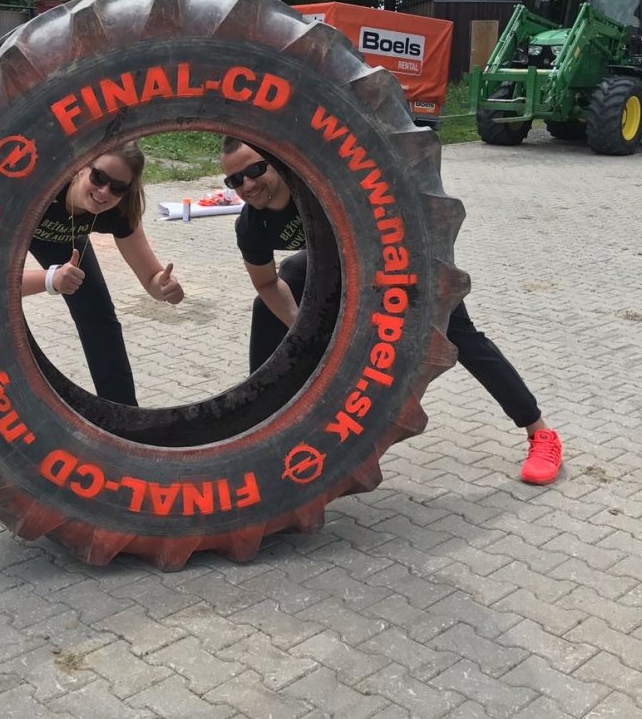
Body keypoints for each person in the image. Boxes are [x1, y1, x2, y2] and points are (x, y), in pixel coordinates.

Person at [220, 137, 564, 484]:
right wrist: (303, 328)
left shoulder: (318, 184)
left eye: (255, 170)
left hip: (402, 252)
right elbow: (267, 284)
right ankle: (260, 430)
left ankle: (540, 432)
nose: (247, 185)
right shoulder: (252, 225)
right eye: (235, 180)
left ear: (276, 162)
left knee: (460, 336)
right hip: (342, 259)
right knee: (272, 303)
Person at [0, 141, 183, 447]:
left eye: (118, 187)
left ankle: (126, 424)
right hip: (8, 224)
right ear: (81, 165)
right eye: (99, 177)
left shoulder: (118, 211)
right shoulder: (34, 187)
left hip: (63, 239)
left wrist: (163, 287)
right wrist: (50, 279)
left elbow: (151, 278)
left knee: (99, 318)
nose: (105, 192)